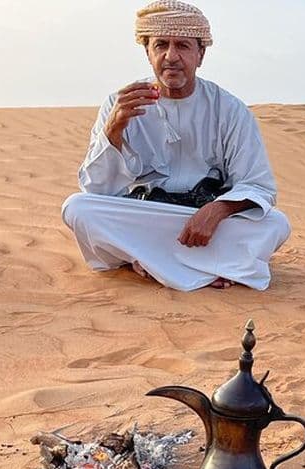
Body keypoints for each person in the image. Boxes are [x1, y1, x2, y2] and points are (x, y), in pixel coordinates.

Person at [62, 0, 290, 291]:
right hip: (146, 215)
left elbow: (258, 186)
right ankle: (208, 266)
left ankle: (146, 259)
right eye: (160, 45)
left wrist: (216, 211)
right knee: (77, 208)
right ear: (148, 52)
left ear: (200, 54)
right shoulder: (119, 104)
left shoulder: (229, 109)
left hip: (203, 224)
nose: (171, 56)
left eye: (182, 45)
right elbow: (96, 189)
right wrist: (114, 129)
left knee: (276, 224)